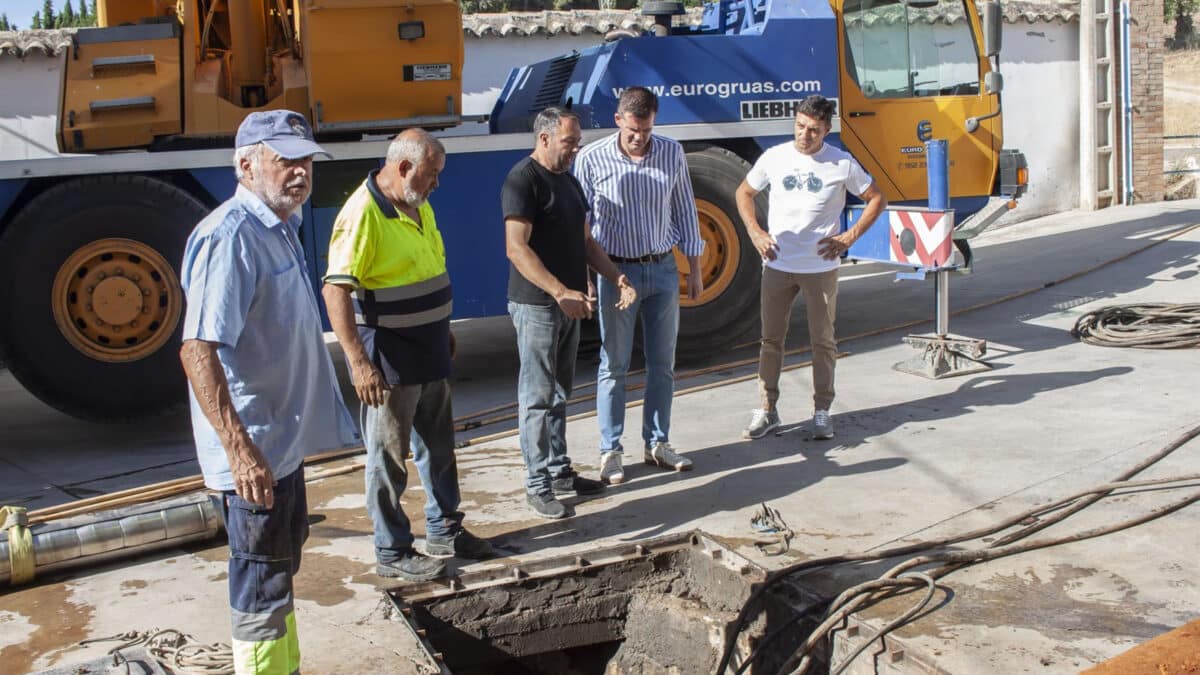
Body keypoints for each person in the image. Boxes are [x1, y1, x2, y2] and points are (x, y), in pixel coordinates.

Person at [180, 110, 360, 674]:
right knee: (259, 584)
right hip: (253, 453)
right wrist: (239, 449)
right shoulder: (230, 235)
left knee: (278, 574)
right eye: (285, 160)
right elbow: (197, 349)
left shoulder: (275, 226)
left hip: (279, 447)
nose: (301, 171)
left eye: (306, 160)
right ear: (246, 163)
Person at [322, 128, 493, 582]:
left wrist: (442, 328)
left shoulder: (415, 200)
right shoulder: (362, 214)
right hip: (391, 356)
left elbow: (428, 263)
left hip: (430, 344)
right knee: (389, 454)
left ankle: (444, 530)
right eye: (432, 174)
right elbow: (336, 289)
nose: (437, 183)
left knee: (438, 446)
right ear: (403, 168)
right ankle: (392, 549)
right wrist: (358, 362)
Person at [502, 107, 638, 519]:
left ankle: (560, 472)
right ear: (544, 138)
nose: (576, 148)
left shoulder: (569, 181)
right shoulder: (522, 180)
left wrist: (616, 278)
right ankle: (537, 484)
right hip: (538, 305)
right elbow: (516, 248)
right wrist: (560, 291)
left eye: (577, 142)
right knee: (537, 399)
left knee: (560, 394)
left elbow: (586, 243)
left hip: (570, 303)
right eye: (569, 142)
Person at [735, 94, 887, 441]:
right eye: (801, 126)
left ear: (826, 130)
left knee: (823, 341)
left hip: (820, 268)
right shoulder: (774, 158)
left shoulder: (841, 163)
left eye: (814, 130)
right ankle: (768, 409)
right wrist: (756, 233)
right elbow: (743, 192)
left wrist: (849, 237)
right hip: (777, 264)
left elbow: (876, 198)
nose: (806, 135)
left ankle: (821, 411)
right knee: (770, 340)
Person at [573, 86, 705, 484]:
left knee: (662, 364)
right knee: (613, 365)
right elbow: (580, 226)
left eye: (646, 130)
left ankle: (657, 443)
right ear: (618, 121)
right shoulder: (591, 159)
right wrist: (589, 282)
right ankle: (610, 451)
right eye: (633, 130)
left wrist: (694, 267)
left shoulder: (671, 153)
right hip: (617, 274)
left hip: (662, 269)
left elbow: (684, 209)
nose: (639, 138)